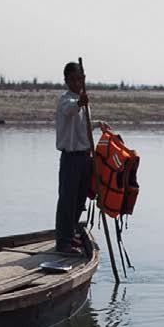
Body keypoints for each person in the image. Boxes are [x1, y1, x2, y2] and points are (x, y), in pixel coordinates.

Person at [54, 60, 92, 255]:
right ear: (66, 81)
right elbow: (71, 109)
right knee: (67, 200)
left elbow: (82, 129)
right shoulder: (66, 100)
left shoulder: (82, 102)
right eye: (73, 80)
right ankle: (63, 242)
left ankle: (70, 234)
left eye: (80, 79)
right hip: (71, 158)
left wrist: (98, 123)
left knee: (79, 201)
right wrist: (80, 102)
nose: (77, 83)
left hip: (85, 158)